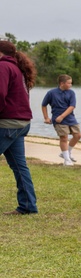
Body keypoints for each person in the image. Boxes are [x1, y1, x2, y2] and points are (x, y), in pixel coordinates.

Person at [0, 40, 39, 215]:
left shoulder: (3, 67)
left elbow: (0, 94)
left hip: (7, 124)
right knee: (19, 166)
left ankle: (28, 206)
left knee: (19, 166)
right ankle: (28, 206)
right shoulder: (18, 68)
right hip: (21, 123)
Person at [40, 73, 81, 166]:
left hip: (70, 118)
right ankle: (67, 160)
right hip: (58, 119)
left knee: (78, 135)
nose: (71, 85)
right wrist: (46, 117)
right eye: (69, 83)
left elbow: (72, 106)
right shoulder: (51, 93)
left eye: (71, 83)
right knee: (64, 137)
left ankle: (66, 153)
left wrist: (62, 116)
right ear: (62, 83)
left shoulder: (71, 92)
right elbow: (43, 105)